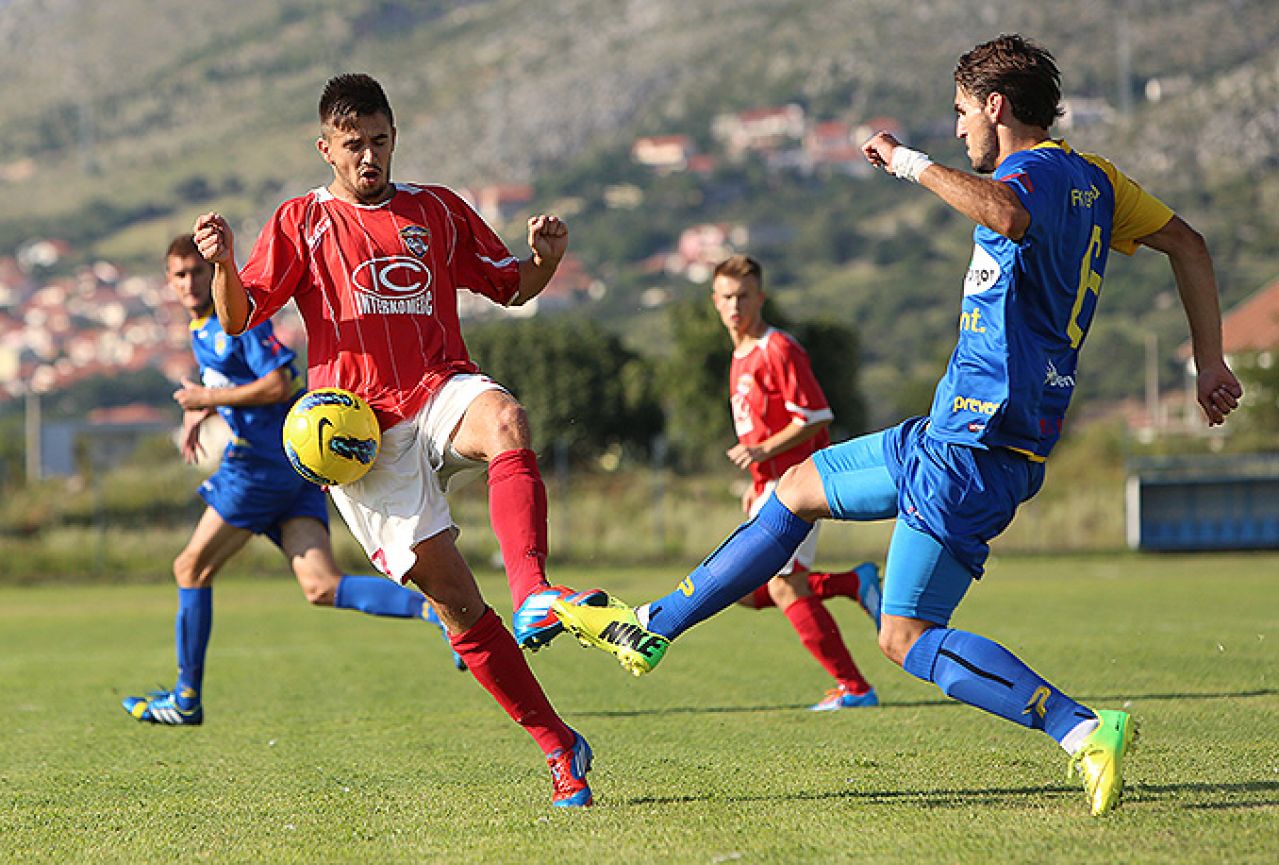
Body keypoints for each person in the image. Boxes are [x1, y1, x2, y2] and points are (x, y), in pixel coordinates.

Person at [555, 34, 1242, 816]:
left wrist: (908, 162)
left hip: (975, 449)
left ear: (995, 105)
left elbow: (1008, 212)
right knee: (792, 491)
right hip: (951, 434)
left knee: (905, 635)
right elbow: (1186, 243)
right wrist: (1209, 361)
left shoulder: (1036, 175)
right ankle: (651, 626)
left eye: (960, 113)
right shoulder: (1098, 181)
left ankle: (1079, 727)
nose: (957, 131)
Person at [193, 73, 603, 807]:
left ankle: (536, 589)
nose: (369, 157)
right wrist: (224, 262)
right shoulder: (300, 221)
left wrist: (544, 258)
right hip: (358, 439)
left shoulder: (437, 209)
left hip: (439, 387)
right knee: (457, 609)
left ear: (393, 136)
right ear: (326, 149)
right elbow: (237, 317)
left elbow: (510, 286)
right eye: (353, 146)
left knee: (506, 417)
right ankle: (558, 744)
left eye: (380, 141)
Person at [122, 234, 464, 729]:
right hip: (294, 471)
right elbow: (225, 382)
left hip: (258, 468)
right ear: (169, 281)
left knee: (189, 568)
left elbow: (279, 383)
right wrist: (206, 406)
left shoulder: (233, 319)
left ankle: (186, 697)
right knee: (322, 586)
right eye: (180, 274)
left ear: (212, 273)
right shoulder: (202, 328)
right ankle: (438, 613)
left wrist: (208, 401)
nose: (190, 282)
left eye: (198, 271)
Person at [711, 255, 883, 711]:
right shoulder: (739, 356)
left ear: (760, 298)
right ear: (714, 301)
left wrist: (764, 452)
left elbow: (815, 415)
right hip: (768, 486)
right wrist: (756, 477)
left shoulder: (778, 348)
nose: (735, 305)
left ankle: (855, 687)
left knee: (784, 584)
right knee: (746, 592)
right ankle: (853, 583)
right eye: (727, 296)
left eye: (744, 296)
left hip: (798, 486)